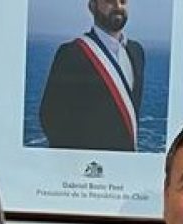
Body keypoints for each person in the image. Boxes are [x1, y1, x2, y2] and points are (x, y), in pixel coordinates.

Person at [39, 0, 146, 152]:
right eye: (109, 1)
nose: (118, 7)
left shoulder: (136, 52)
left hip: (125, 161)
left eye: (123, 1)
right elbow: (50, 117)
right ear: (92, 6)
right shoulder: (71, 53)